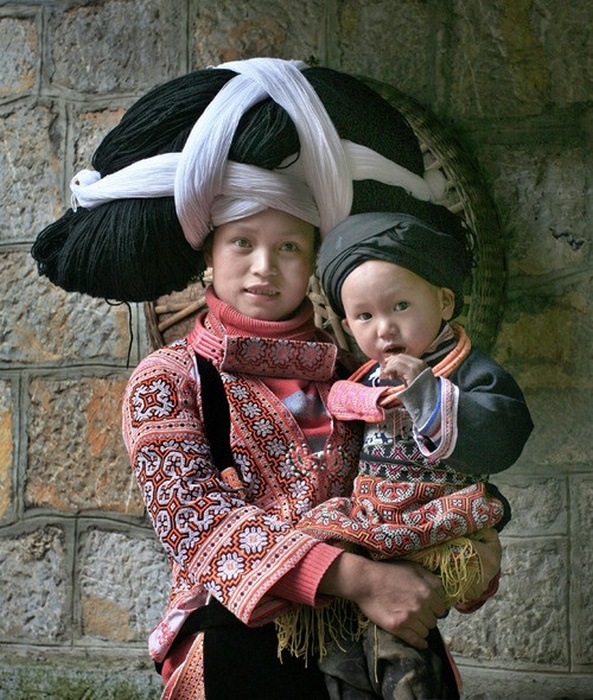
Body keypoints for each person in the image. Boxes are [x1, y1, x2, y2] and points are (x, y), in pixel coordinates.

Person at [31, 58, 504, 699]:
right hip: (243, 645)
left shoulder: (360, 374)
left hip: (377, 646)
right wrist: (363, 581)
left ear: (314, 258)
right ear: (207, 251)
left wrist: (461, 551)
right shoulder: (169, 380)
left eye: (288, 246)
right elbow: (200, 524)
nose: (263, 267)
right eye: (241, 243)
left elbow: (417, 487)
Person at [292, 211, 534, 699]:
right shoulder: (364, 379)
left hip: (434, 521)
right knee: (342, 648)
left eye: (400, 306)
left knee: (402, 656)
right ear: (346, 325)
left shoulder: (466, 371)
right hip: (373, 524)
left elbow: (505, 430)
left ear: (444, 301)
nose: (384, 329)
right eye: (364, 317)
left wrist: (427, 394)